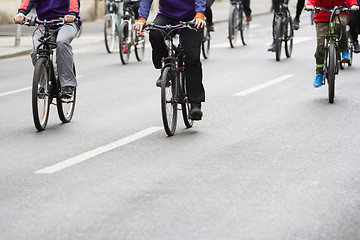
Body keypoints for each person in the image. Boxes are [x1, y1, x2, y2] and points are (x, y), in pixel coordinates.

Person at [133, 0, 206, 120]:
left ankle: (195, 104)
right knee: (155, 34)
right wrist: (142, 18)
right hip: (167, 16)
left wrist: (200, 14)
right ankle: (166, 65)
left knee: (192, 58)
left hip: (192, 18)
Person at [14, 0, 81, 98]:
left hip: (66, 22)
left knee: (61, 42)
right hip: (45, 23)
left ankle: (67, 84)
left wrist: (72, 13)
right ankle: (44, 81)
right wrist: (21, 12)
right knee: (37, 50)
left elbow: (73, 1)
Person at [305, 0, 359, 87]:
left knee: (339, 24)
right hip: (322, 14)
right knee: (321, 46)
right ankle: (319, 73)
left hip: (340, 12)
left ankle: (344, 50)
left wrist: (353, 4)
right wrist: (310, 5)